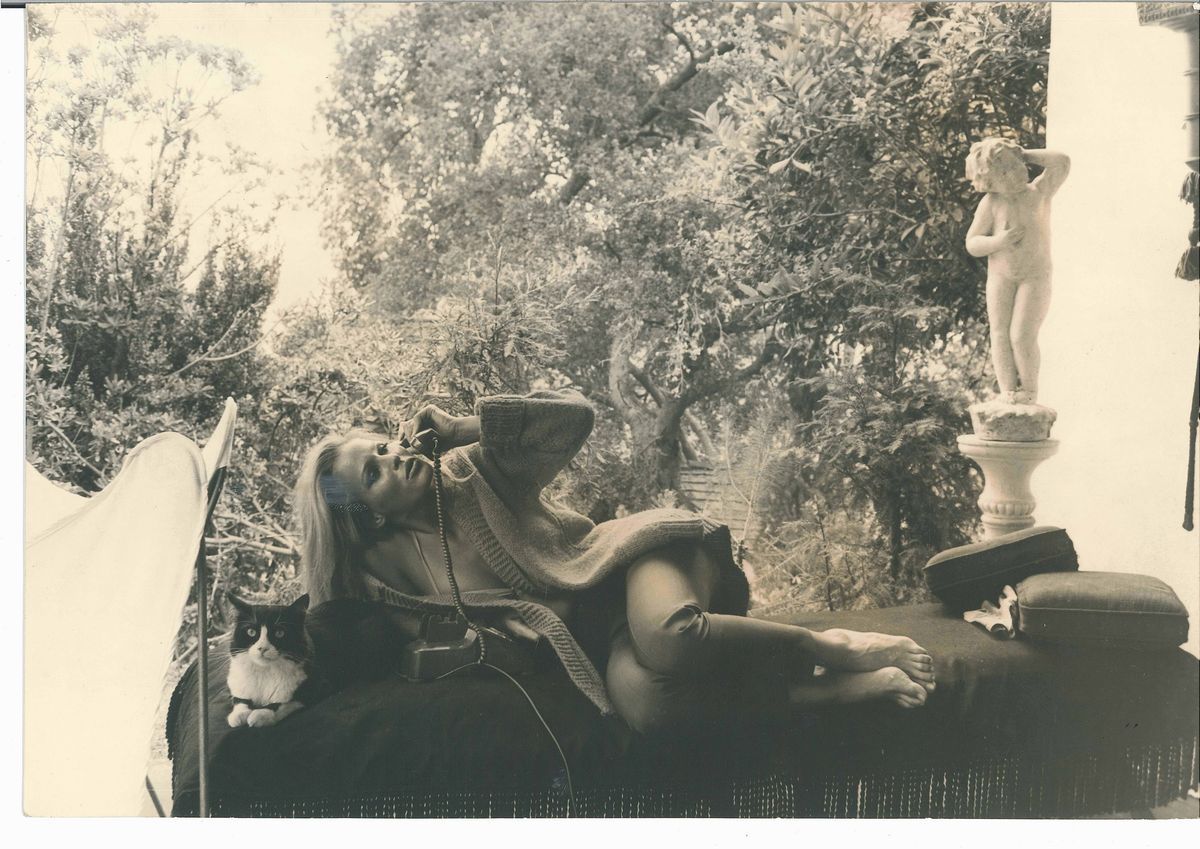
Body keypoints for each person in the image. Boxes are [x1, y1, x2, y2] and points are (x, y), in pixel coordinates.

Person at [294, 389, 936, 734]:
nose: (394, 457)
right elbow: (397, 642)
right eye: (372, 473)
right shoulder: (391, 586)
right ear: (365, 518)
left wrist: (464, 426)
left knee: (668, 636)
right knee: (647, 708)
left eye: (384, 446)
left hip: (638, 562)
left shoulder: (468, 471)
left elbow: (573, 418)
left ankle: (828, 646)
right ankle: (838, 692)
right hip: (605, 636)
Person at [965, 139, 1071, 405]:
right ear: (992, 181)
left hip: (1034, 276)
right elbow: (972, 243)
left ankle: (1030, 391)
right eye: (1007, 170)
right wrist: (998, 242)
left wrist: (1023, 153)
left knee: (1021, 335)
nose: (1018, 172)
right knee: (999, 333)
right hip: (1001, 277)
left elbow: (1062, 162)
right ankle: (1008, 391)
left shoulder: (1038, 192)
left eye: (1018, 165)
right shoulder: (991, 203)